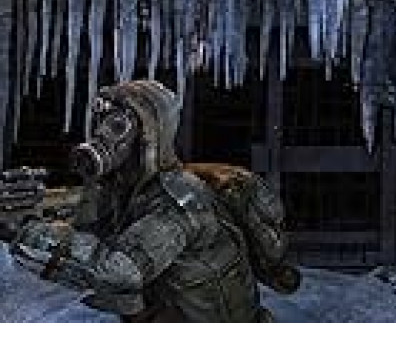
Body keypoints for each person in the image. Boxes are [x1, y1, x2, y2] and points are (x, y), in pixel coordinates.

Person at [9, 79, 295, 322]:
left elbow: (120, 271)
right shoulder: (132, 190)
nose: (102, 134)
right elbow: (88, 226)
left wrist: (29, 231)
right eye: (103, 121)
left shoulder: (178, 202)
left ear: (149, 135)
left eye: (118, 125)